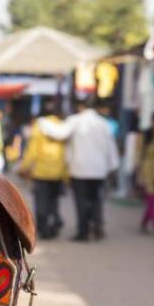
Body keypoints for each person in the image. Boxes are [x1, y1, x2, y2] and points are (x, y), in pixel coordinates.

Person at [40, 99, 120, 242]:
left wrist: (42, 122)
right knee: (96, 199)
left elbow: (59, 133)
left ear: (80, 107)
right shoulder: (103, 124)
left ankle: (83, 232)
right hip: (99, 170)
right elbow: (111, 147)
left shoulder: (75, 120)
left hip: (80, 169)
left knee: (81, 201)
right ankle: (97, 226)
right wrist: (112, 167)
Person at [20, 105, 67, 240]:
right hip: (58, 172)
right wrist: (66, 173)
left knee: (41, 202)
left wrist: (24, 167)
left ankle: (44, 229)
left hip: (41, 172)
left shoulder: (38, 127)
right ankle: (54, 223)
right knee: (53, 201)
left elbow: (33, 150)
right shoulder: (62, 127)